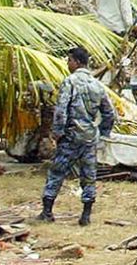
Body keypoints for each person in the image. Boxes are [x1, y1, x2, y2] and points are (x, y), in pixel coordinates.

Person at [37, 46, 116, 226]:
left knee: (57, 172)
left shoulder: (70, 82)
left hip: (71, 137)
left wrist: (57, 133)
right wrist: (103, 133)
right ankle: (86, 215)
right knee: (89, 176)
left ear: (77, 62)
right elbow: (109, 113)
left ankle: (47, 212)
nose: (67, 63)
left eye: (69, 60)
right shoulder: (97, 85)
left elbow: (61, 110)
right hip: (89, 138)